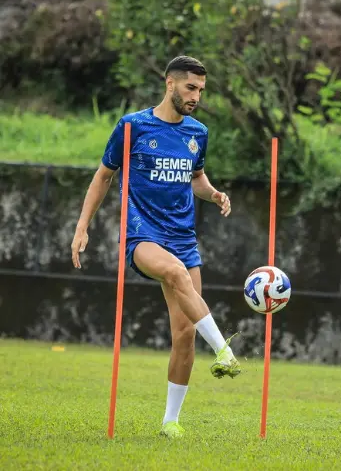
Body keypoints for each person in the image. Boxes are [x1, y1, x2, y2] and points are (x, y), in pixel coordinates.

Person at [70, 55, 241, 439]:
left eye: (201, 90)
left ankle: (170, 422)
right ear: (170, 83)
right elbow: (103, 177)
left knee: (184, 333)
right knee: (177, 273)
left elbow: (196, 178)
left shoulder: (198, 132)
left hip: (183, 237)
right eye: (190, 87)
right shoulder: (132, 126)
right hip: (143, 235)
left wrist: (214, 194)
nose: (196, 96)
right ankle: (224, 351)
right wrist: (82, 227)